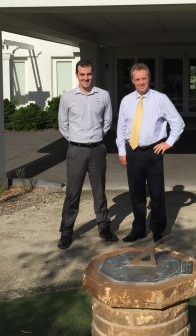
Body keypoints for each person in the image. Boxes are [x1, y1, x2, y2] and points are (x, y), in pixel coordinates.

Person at [116, 63, 185, 242]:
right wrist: (122, 151)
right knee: (137, 194)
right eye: (137, 79)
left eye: (144, 78)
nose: (141, 82)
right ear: (132, 80)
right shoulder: (126, 101)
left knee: (156, 194)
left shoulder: (160, 98)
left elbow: (178, 122)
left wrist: (168, 143)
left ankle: (158, 230)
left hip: (153, 152)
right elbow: (121, 128)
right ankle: (138, 229)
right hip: (133, 152)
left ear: (149, 78)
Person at [57, 60, 118, 249]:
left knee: (99, 191)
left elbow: (107, 121)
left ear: (93, 74)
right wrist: (77, 140)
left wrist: (96, 137)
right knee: (72, 192)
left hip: (98, 149)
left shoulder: (103, 96)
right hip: (76, 150)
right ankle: (67, 231)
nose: (86, 78)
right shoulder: (67, 97)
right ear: (77, 75)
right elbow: (63, 125)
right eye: (82, 74)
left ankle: (104, 226)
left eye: (89, 74)